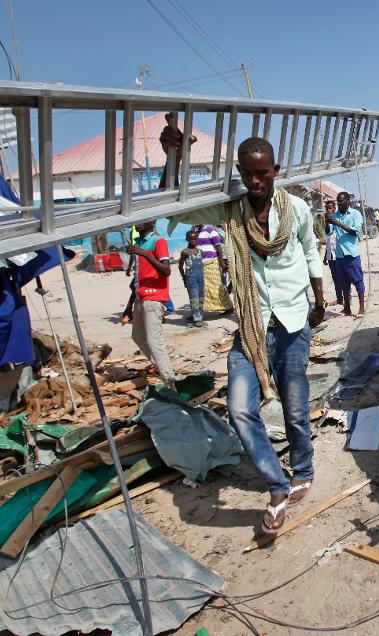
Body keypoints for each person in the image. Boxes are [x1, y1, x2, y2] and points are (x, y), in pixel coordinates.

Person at [166, 135, 325, 534]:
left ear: (275, 171)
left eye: (262, 173)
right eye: (248, 174)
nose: (255, 181)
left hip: (291, 321)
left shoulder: (298, 209)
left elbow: (309, 252)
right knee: (239, 409)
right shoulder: (229, 210)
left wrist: (320, 299)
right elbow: (178, 202)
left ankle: (302, 468)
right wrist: (175, 156)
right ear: (239, 172)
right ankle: (277, 485)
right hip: (251, 327)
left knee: (294, 407)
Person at [125, 220, 176, 388]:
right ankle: (162, 368)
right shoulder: (138, 242)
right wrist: (129, 305)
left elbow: (166, 270)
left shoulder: (158, 241)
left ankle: (170, 379)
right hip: (141, 297)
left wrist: (145, 254)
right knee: (137, 336)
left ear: (152, 222)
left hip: (154, 297)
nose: (137, 224)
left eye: (141, 221)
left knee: (154, 339)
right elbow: (137, 279)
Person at [328, 191, 366, 316]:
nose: (339, 204)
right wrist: (327, 222)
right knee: (343, 283)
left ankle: (361, 308)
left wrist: (337, 223)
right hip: (339, 255)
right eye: (338, 202)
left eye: (341, 202)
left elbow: (355, 232)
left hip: (351, 254)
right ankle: (347, 308)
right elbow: (329, 232)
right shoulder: (336, 215)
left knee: (357, 280)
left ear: (348, 201)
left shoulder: (356, 214)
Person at [193, 223, 233, 314]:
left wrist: (222, 262)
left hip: (211, 261)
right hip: (201, 263)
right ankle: (223, 306)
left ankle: (228, 306)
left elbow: (218, 246)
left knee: (216, 285)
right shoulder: (195, 232)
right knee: (205, 287)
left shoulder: (210, 229)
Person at [178, 230, 206, 327]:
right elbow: (180, 266)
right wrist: (184, 278)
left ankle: (198, 315)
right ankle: (197, 319)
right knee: (194, 298)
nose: (193, 241)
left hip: (201, 277)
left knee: (201, 297)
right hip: (191, 277)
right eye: (191, 239)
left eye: (195, 239)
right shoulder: (185, 252)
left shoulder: (200, 252)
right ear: (187, 239)